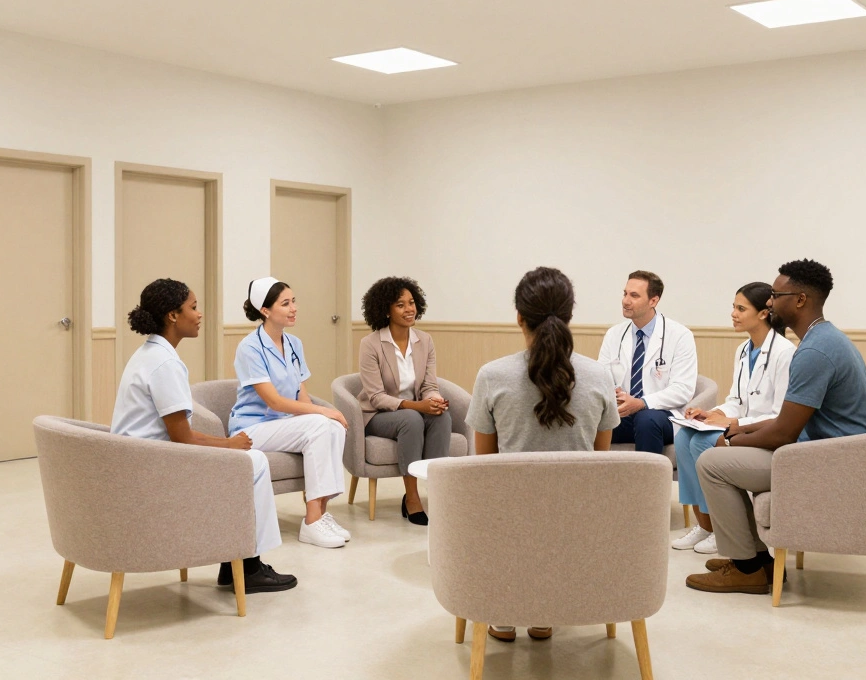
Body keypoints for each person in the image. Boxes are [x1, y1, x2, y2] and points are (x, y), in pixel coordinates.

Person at [685, 259, 866, 595]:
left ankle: (747, 568)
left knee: (712, 463)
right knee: (719, 453)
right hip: (828, 453)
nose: (771, 302)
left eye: (776, 295)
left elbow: (784, 433)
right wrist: (739, 431)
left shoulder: (814, 351)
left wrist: (731, 443)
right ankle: (759, 562)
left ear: (800, 299)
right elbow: (787, 420)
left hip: (830, 464)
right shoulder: (825, 339)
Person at [111, 278, 296, 593]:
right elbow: (182, 438)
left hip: (138, 463)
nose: (199, 314)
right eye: (193, 308)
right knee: (254, 462)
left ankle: (234, 563)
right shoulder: (165, 364)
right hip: (151, 472)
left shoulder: (149, 354)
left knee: (248, 461)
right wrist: (229, 444)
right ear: (173, 315)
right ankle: (248, 566)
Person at [466, 267, 620, 642]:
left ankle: (504, 610)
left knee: (498, 502)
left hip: (509, 524)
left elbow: (484, 467)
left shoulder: (492, 375)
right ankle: (544, 608)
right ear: (569, 318)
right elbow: (600, 462)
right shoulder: (599, 376)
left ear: (519, 317)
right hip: (579, 522)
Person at [670, 282, 796, 555]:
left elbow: (779, 415)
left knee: (703, 444)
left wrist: (729, 424)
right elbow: (737, 401)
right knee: (684, 439)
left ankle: (720, 525)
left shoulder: (785, 354)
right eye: (733, 307)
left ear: (764, 313)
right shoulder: (743, 350)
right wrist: (714, 413)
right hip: (741, 426)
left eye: (741, 308)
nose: (733, 314)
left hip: (764, 434)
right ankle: (705, 525)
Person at [229, 277, 351, 549]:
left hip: (282, 426)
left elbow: (300, 395)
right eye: (285, 303)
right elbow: (274, 402)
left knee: (333, 426)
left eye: (294, 301)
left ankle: (321, 512)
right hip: (253, 428)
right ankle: (310, 522)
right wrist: (322, 412)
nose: (294, 308)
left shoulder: (294, 343)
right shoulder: (249, 348)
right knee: (322, 422)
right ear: (265, 311)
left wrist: (322, 415)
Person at [357, 277, 451, 526]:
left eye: (411, 303)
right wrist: (417, 407)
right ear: (385, 310)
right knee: (411, 419)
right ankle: (411, 498)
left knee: (442, 417)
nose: (409, 309)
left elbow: (429, 386)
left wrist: (434, 401)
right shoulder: (370, 345)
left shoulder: (425, 341)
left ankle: (440, 496)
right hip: (378, 415)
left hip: (415, 410)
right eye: (400, 305)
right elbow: (376, 397)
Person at [597, 270, 698, 454]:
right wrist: (614, 394)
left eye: (634, 296)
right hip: (624, 414)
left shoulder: (680, 335)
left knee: (646, 419)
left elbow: (683, 390)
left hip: (663, 416)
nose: (626, 300)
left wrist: (642, 402)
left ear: (653, 301)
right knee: (589, 419)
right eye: (625, 293)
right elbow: (601, 377)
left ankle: (647, 482)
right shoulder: (614, 334)